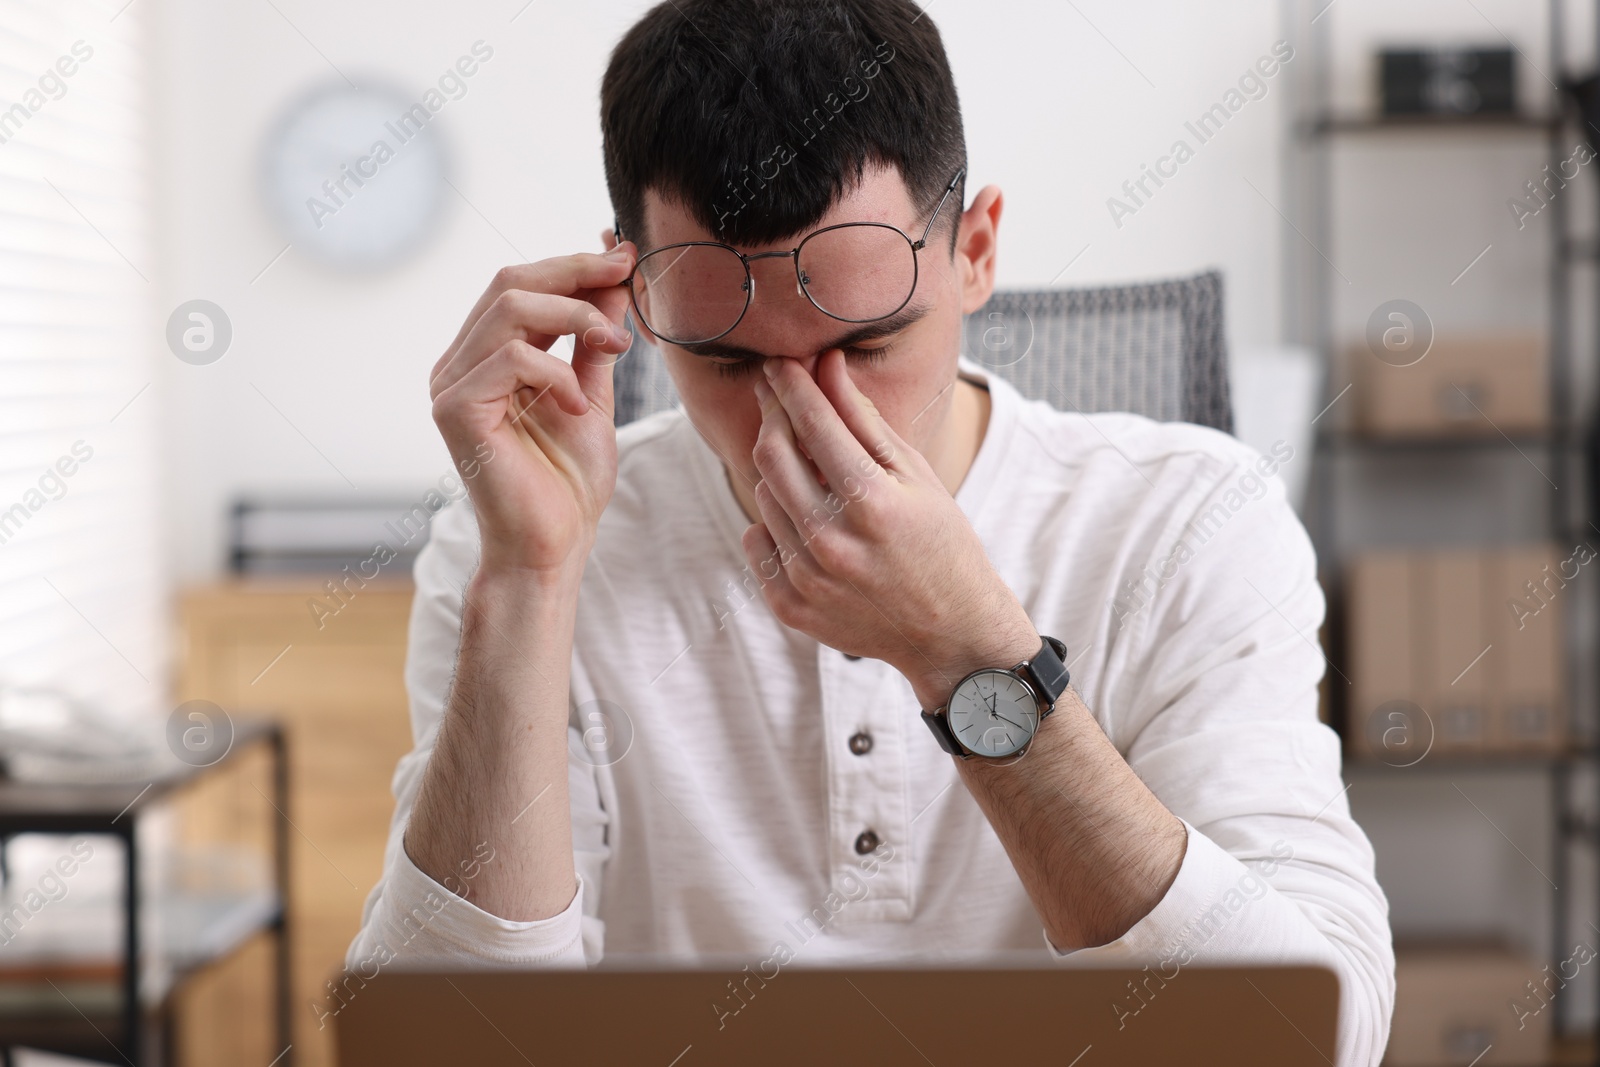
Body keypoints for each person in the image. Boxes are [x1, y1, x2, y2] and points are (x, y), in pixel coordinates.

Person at [348, 1, 1392, 1061]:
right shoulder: (528, 544)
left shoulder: (1193, 516)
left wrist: (967, 652)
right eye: (731, 360)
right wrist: (528, 583)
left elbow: (1315, 1033)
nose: (806, 426)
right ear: (637, 296)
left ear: (974, 251)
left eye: (874, 342)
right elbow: (455, 1043)